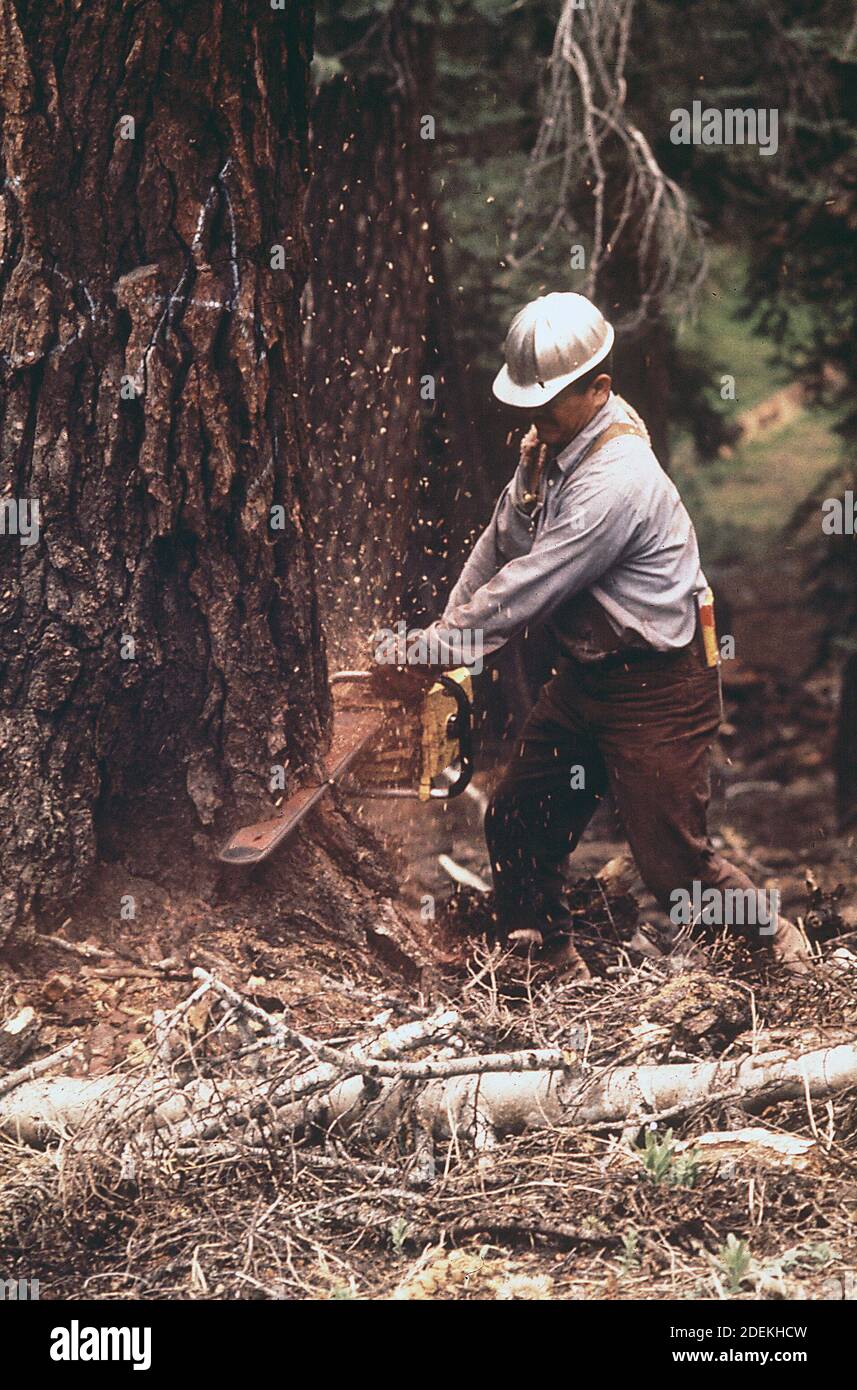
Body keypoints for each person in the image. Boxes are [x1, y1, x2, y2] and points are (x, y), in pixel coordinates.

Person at [381, 292, 811, 978]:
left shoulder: (616, 481)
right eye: (526, 405)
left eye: (545, 406)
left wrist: (439, 646)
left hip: (659, 684)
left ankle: (774, 944)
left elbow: (530, 585)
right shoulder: (544, 449)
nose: (531, 420)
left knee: (672, 865)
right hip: (586, 675)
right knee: (519, 816)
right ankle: (544, 956)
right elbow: (498, 548)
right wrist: (439, 646)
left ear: (598, 388)